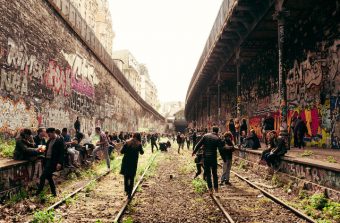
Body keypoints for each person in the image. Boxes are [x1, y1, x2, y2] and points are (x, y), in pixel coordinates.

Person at [192, 126, 223, 194]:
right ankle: (216, 189)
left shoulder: (205, 136)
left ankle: (210, 189)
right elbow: (221, 150)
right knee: (214, 174)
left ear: (212, 130)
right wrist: (223, 158)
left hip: (206, 158)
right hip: (213, 158)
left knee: (208, 174)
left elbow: (198, 145)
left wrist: (194, 152)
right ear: (217, 131)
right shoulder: (217, 138)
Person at [36, 128, 64, 197]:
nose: (49, 136)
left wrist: (59, 163)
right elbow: (45, 149)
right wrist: (38, 150)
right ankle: (54, 193)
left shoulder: (59, 140)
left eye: (50, 134)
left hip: (53, 162)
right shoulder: (49, 140)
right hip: (47, 161)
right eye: (48, 135)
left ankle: (38, 193)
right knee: (49, 177)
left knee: (43, 177)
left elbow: (62, 153)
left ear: (54, 132)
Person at [120, 133, 144, 199]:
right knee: (132, 177)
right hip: (133, 163)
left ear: (133, 136)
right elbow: (142, 152)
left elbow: (121, 151)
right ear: (138, 137)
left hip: (126, 162)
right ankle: (130, 193)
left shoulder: (127, 142)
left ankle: (126, 190)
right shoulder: (139, 144)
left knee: (126, 176)